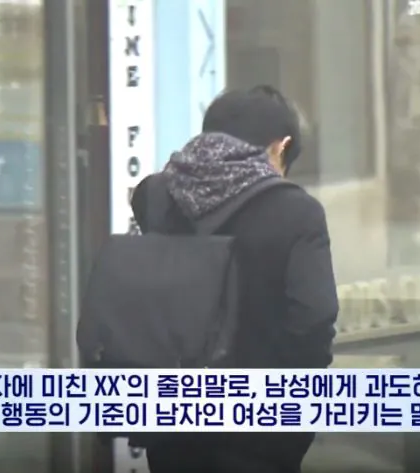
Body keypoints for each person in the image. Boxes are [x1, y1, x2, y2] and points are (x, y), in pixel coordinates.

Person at [129, 85, 339, 473]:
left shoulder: (154, 197)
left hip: (172, 421)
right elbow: (314, 319)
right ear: (280, 147)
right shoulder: (297, 212)